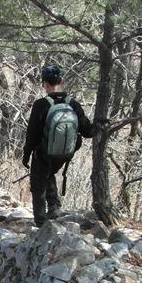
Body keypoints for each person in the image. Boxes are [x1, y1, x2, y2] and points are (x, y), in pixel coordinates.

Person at [22, 64, 93, 227]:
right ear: (62, 81)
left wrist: (26, 154)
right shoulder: (73, 104)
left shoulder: (41, 104)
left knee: (38, 185)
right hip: (65, 154)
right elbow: (88, 131)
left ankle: (41, 223)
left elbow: (32, 133)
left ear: (45, 84)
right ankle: (54, 207)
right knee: (49, 173)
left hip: (43, 153)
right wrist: (99, 125)